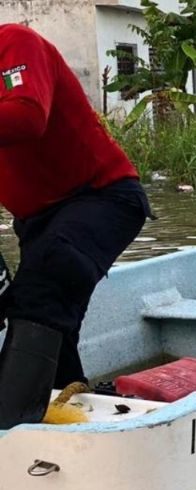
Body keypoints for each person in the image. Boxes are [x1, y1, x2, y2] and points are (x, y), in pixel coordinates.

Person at [0, 24, 150, 428]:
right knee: (48, 316)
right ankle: (71, 403)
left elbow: (28, 115)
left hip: (102, 198)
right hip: (37, 220)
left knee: (41, 293)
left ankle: (9, 430)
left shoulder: (14, 42)